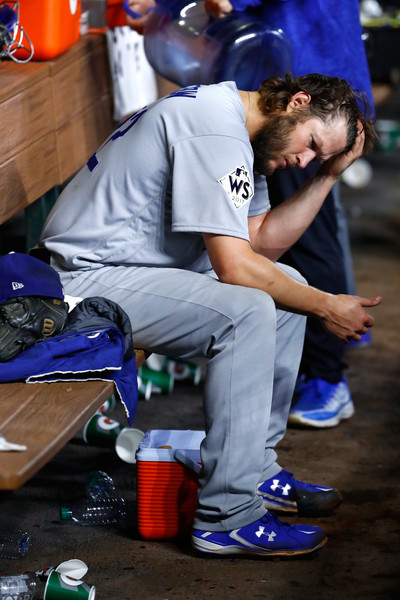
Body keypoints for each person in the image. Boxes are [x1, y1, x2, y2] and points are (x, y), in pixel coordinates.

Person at [36, 72, 381, 558]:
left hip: (128, 273)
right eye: (311, 146)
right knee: (248, 309)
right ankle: (227, 516)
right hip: (80, 286)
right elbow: (237, 268)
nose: (302, 160)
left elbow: (258, 242)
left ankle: (253, 470)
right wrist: (329, 306)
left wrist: (327, 176)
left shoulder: (244, 133)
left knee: (290, 291)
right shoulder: (214, 128)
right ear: (297, 103)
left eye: (314, 159)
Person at [202, 0, 376, 430]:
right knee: (289, 234)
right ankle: (314, 371)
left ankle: (326, 378)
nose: (308, 161)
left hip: (310, 77)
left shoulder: (301, 122)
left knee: (310, 239)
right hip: (284, 72)